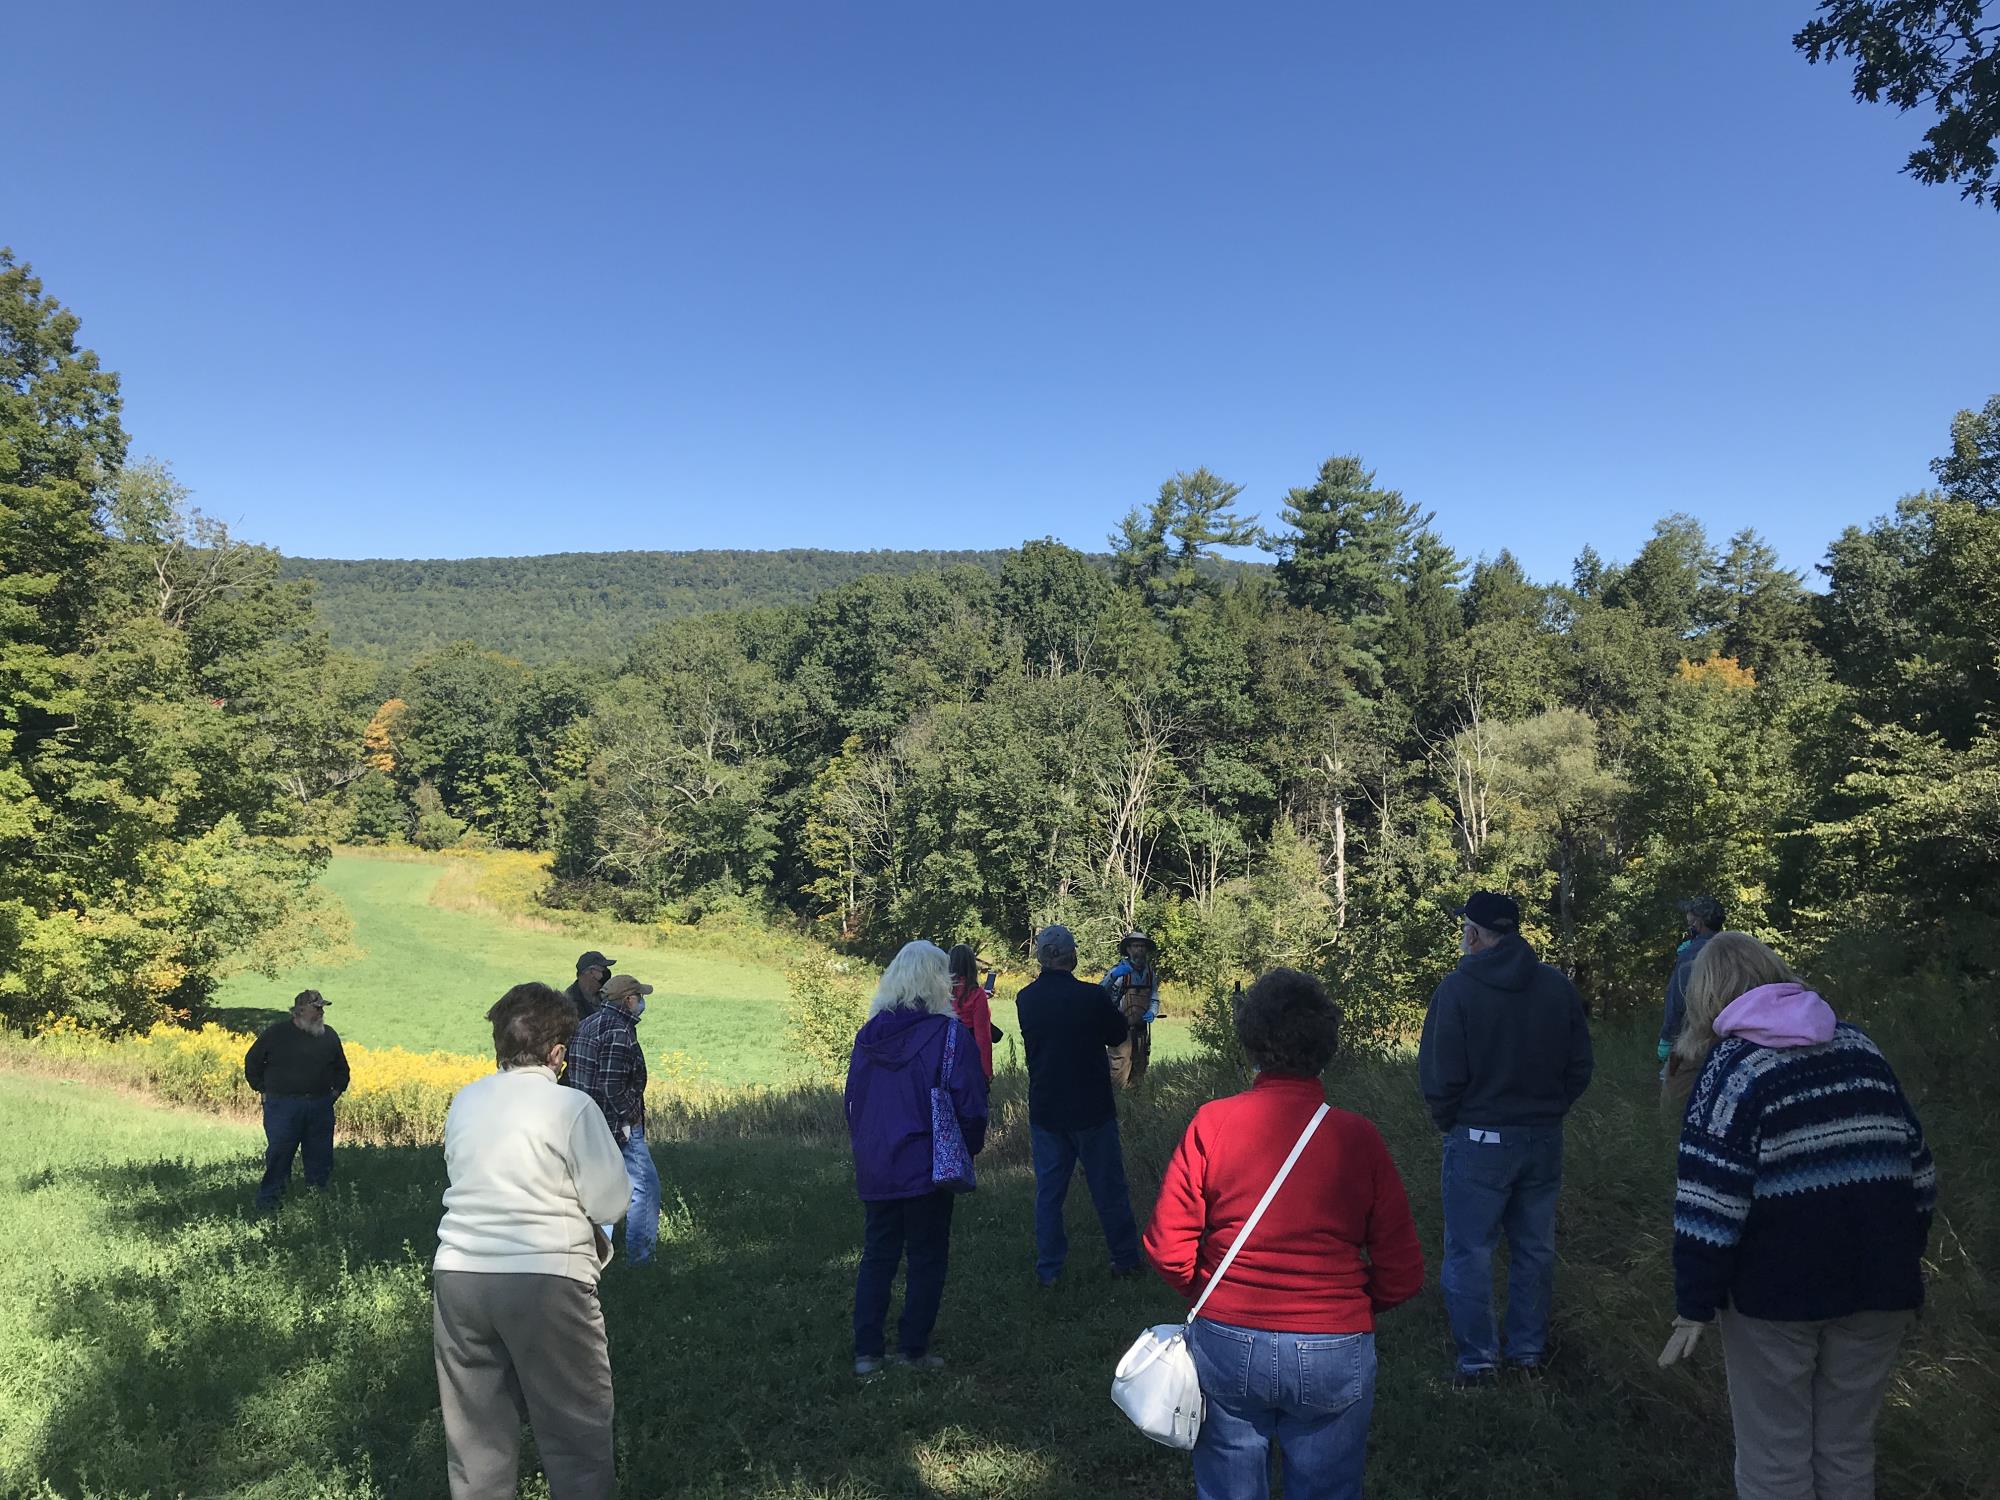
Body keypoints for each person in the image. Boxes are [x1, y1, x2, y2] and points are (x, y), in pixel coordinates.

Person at [1658, 933, 1935, 1499]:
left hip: (1774, 1300)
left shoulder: (1732, 1070)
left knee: (1775, 1459)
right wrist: (1901, 1256)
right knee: (1848, 1450)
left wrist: (1694, 1308)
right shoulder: (1861, 1048)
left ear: (1707, 997)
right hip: (1880, 1287)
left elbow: (1711, 1202)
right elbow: (1920, 1171)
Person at [1145, 968, 1425, 1500]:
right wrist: (1348, 1307)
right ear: (1325, 1047)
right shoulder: (1358, 1138)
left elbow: (1166, 1245)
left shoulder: (1212, 1122)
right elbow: (1403, 1271)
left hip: (1227, 1336)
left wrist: (1208, 1292)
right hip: (1334, 1343)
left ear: (1251, 1041)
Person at [433, 982, 631, 1500]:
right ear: (558, 1053)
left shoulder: (465, 1100)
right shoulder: (570, 1106)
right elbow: (610, 1203)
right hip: (546, 1277)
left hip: (458, 1276)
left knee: (476, 1434)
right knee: (575, 1427)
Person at [1417, 891, 1594, 1387]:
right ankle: (1527, 1354)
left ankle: (1478, 1361)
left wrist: (1449, 1120)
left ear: (1473, 934)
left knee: (1470, 1251)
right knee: (1533, 1248)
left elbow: (1440, 1075)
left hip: (1478, 1139)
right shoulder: (1555, 987)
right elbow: (1580, 1064)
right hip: (1542, 1139)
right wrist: (1551, 1108)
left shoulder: (1456, 990)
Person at [845, 940, 989, 1376]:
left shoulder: (868, 1035)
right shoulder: (949, 1034)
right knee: (926, 1255)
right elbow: (971, 1102)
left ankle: (867, 1352)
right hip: (928, 1162)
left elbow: (853, 1099)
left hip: (877, 1161)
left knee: (878, 1253)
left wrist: (866, 1146)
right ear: (937, 980)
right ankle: (913, 1350)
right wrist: (968, 1146)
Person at [1015, 923, 1143, 1285]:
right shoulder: (1091, 997)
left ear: (1042, 957)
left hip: (1046, 1107)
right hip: (1091, 1107)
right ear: (1071, 956)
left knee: (1049, 1193)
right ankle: (1125, 1260)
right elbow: (1118, 1035)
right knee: (1108, 1187)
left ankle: (1049, 1270)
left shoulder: (1026, 999)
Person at [565, 972, 661, 1267]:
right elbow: (611, 1085)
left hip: (586, 1123)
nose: (642, 1003)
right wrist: (630, 1115)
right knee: (645, 1187)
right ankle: (640, 1261)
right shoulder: (619, 1031)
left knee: (599, 1191)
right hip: (617, 1125)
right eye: (640, 997)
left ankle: (593, 1259)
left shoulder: (588, 1023)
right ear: (628, 1000)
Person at [243, 989, 350, 1210]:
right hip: (282, 1106)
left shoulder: (328, 1035)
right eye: (316, 1008)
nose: (321, 1012)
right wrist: (262, 1089)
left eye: (322, 1008)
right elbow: (252, 1062)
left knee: (320, 1159)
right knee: (279, 1156)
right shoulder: (276, 1034)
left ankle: (316, 1205)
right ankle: (269, 1206)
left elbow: (342, 1069)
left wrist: (335, 1093)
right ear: (300, 1011)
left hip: (320, 1106)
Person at [1659, 896, 1724, 1067]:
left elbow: (1677, 998)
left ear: (1698, 922)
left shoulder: (1690, 954)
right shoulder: (1732, 948)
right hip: (1725, 1037)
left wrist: (1667, 1038)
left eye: (1690, 914)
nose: (1687, 918)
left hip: (1692, 1040)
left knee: (1676, 1090)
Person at [1102, 931, 1160, 1090]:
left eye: (1142, 946)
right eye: (1136, 946)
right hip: (1120, 1032)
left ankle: (1134, 1109)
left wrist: (1153, 1012)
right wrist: (1112, 976)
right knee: (1118, 1072)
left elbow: (1154, 997)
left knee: (1139, 1072)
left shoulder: (1150, 973)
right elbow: (1100, 993)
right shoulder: (1119, 971)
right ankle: (1115, 1108)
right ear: (1128, 949)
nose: (1140, 950)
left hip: (1141, 1032)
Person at [946, 944, 998, 1079]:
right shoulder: (976, 994)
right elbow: (983, 1035)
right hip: (968, 1051)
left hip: (945, 1050)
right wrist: (986, 1071)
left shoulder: (942, 990)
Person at [564, 951, 613, 1022]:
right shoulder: (569, 1002)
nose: (607, 972)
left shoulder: (607, 992)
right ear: (591, 972)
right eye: (603, 969)